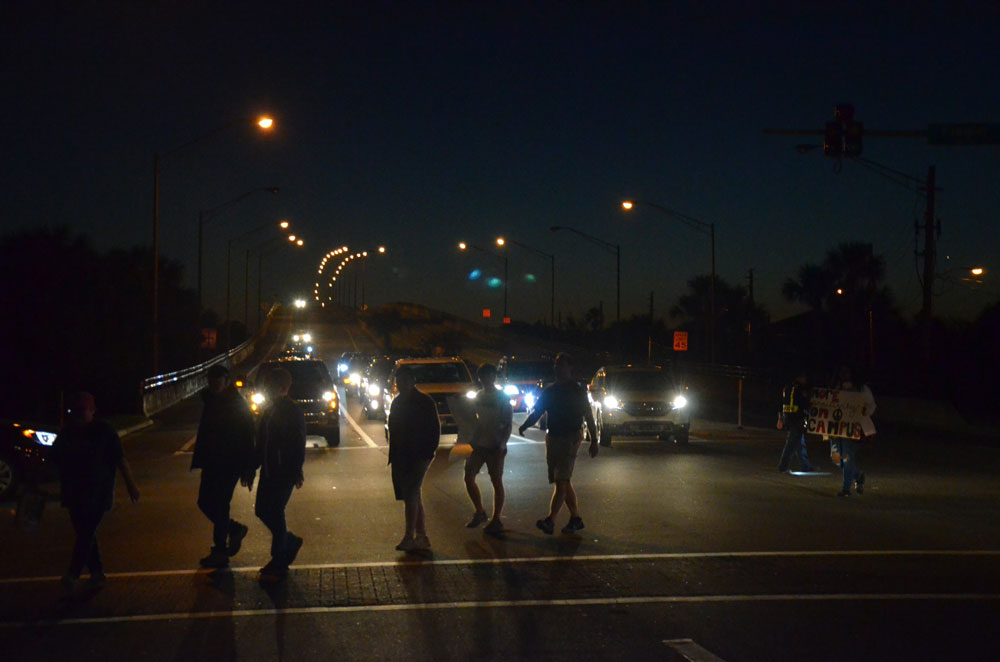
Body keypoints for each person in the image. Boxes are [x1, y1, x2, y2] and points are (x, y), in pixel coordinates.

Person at [51, 391, 140, 591]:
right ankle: (97, 573)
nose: (79, 416)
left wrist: (131, 484)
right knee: (85, 533)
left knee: (86, 532)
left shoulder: (104, 431)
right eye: (76, 412)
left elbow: (120, 458)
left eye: (83, 411)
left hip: (98, 492)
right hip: (73, 492)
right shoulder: (68, 432)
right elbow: (54, 458)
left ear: (92, 411)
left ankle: (73, 573)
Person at [517, 353, 598, 536]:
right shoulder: (550, 391)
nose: (558, 368)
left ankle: (551, 520)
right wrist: (525, 425)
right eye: (556, 365)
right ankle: (575, 518)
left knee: (561, 479)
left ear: (570, 368)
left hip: (570, 437)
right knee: (562, 479)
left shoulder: (577, 391)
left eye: (562, 365)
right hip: (553, 437)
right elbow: (538, 411)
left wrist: (593, 440)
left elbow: (588, 415)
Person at [191, 363, 257, 569]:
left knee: (219, 504)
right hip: (212, 461)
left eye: (217, 382)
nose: (213, 386)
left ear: (227, 381)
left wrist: (248, 468)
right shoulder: (212, 401)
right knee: (205, 502)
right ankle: (233, 529)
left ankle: (220, 550)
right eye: (211, 382)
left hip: (230, 463)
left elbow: (248, 438)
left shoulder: (236, 405)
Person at [254, 367, 306, 581]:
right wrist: (252, 467)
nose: (266, 388)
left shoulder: (291, 411)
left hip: (282, 471)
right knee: (262, 510)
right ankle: (288, 542)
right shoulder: (269, 410)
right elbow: (261, 442)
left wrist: (295, 469)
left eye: (270, 384)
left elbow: (297, 443)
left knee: (274, 511)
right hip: (268, 470)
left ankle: (279, 558)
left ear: (282, 387)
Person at [387, 365, 440, 552]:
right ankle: (422, 536)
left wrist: (427, 452)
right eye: (398, 381)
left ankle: (410, 535)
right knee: (413, 494)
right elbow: (393, 429)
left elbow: (434, 429)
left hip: (419, 455)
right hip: (403, 455)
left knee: (411, 492)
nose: (401, 384)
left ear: (412, 381)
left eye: (405, 380)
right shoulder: (397, 402)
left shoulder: (424, 402)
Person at [464, 363, 513, 535]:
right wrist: (472, 438)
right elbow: (475, 420)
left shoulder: (502, 397)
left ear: (494, 377)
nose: (486, 379)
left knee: (496, 481)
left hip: (495, 444)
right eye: (483, 376)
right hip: (480, 444)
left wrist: (502, 443)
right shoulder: (478, 396)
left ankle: (496, 518)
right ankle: (480, 511)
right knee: (469, 476)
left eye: (489, 376)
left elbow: (508, 422)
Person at [828, 366, 869, 497]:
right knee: (836, 459)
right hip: (835, 429)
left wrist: (863, 412)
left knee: (847, 459)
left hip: (850, 430)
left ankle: (846, 489)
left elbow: (870, 405)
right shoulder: (836, 387)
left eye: (847, 371)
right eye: (842, 372)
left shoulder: (861, 388)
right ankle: (858, 475)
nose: (844, 374)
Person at [777, 369, 815, 473]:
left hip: (789, 419)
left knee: (799, 443)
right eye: (803, 378)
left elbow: (781, 404)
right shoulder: (800, 390)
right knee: (791, 445)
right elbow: (803, 404)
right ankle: (783, 467)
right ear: (799, 378)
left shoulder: (788, 388)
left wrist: (780, 418)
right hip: (797, 419)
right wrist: (810, 404)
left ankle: (806, 466)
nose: (805, 380)